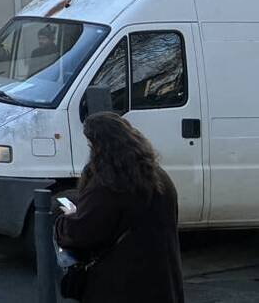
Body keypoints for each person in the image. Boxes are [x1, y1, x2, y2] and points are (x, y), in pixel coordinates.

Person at [55, 112, 183, 303]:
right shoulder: (157, 176)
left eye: (91, 145)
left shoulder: (110, 183)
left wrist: (66, 220)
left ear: (101, 148)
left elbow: (82, 232)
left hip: (121, 285)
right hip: (162, 281)